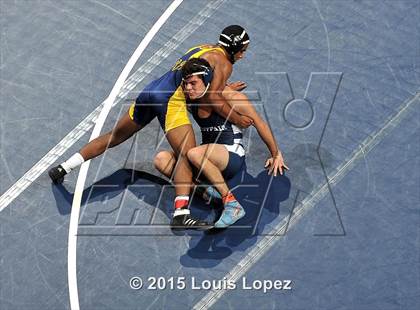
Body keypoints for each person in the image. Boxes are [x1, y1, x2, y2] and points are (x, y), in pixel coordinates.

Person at [49, 25, 253, 230]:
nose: (243, 55)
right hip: (169, 100)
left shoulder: (202, 47)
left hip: (152, 90)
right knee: (186, 154)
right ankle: (182, 213)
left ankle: (64, 167)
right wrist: (237, 117)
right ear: (235, 48)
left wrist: (223, 88)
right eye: (243, 50)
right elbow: (211, 98)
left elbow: (198, 81)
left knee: (114, 136)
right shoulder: (224, 63)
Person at [154, 58, 289, 228]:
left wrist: (275, 153)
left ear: (207, 80)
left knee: (193, 153)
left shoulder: (232, 98)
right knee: (161, 159)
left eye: (193, 83)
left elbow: (259, 123)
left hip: (230, 155)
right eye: (186, 84)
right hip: (206, 158)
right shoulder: (192, 98)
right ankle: (204, 191)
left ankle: (232, 204)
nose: (188, 88)